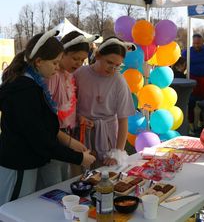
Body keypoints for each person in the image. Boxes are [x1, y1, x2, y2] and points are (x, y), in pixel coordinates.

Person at [0, 30, 95, 206]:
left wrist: (70, 143)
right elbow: (40, 139)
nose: (57, 68)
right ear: (38, 62)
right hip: (18, 164)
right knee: (13, 208)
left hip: (27, 162)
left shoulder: (33, 85)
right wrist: (78, 158)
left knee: (25, 206)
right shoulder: (25, 91)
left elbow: (43, 128)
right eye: (54, 63)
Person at [36, 31, 98, 190]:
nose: (78, 63)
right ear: (62, 53)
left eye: (82, 60)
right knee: (53, 183)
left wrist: (79, 119)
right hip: (54, 137)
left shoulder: (69, 76)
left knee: (64, 178)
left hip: (66, 135)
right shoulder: (52, 76)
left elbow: (68, 107)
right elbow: (46, 113)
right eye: (75, 58)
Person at [74, 37, 135, 167]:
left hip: (107, 139)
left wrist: (117, 153)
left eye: (117, 65)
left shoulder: (119, 81)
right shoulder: (80, 74)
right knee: (81, 178)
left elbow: (123, 120)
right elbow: (70, 104)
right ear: (97, 55)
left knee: (105, 179)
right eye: (109, 62)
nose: (112, 68)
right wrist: (79, 117)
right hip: (81, 135)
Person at [181, 34, 204, 133]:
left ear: (203, 42)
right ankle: (191, 125)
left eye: (198, 43)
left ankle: (202, 124)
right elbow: (181, 66)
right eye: (194, 43)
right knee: (191, 103)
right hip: (192, 81)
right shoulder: (187, 52)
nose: (196, 45)